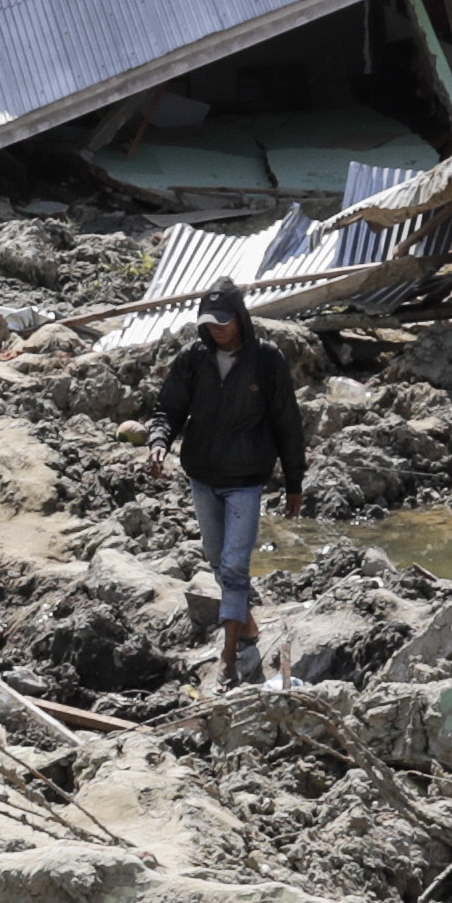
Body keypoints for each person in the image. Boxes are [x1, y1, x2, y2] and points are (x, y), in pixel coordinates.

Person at [154, 278, 311, 688]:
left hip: (246, 479)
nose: (218, 329)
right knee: (215, 557)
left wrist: (294, 482)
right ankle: (248, 625)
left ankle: (228, 661)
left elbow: (287, 424)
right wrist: (158, 444)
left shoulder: (266, 360)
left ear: (241, 319)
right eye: (211, 323)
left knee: (235, 566)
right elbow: (168, 408)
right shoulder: (193, 359)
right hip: (203, 475)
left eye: (225, 322)